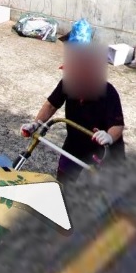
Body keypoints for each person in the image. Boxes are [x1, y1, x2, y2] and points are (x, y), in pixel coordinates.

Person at [17, 41, 125, 182]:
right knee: (63, 181)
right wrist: (36, 124)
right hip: (75, 143)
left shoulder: (109, 93)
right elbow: (51, 105)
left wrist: (109, 137)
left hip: (104, 149)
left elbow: (117, 125)